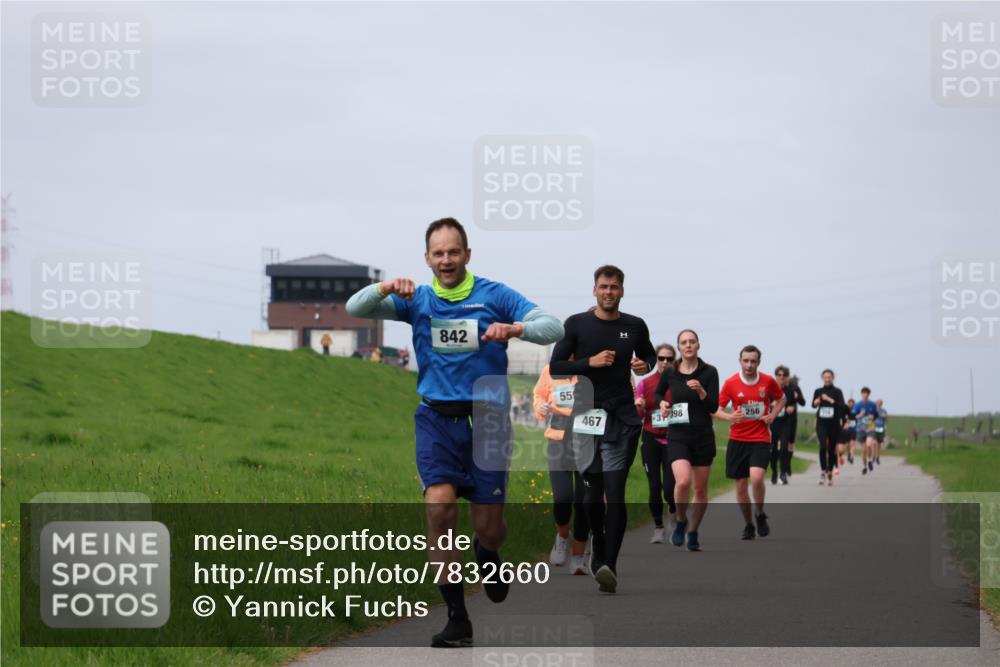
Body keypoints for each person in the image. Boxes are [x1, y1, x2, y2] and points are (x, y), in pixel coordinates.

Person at [345, 217, 563, 648]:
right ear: (427, 258)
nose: (446, 259)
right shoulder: (418, 300)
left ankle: (487, 554)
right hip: (436, 420)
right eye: (438, 253)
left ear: (467, 255)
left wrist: (515, 328)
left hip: (488, 420)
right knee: (439, 508)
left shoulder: (494, 295)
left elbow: (552, 326)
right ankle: (457, 617)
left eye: (453, 251)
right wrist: (386, 288)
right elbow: (356, 308)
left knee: (489, 529)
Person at [549, 265, 656, 594]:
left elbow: (649, 356)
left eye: (614, 287)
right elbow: (556, 367)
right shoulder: (577, 324)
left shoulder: (634, 326)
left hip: (622, 419)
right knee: (592, 494)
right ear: (594, 290)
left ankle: (609, 563)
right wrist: (589, 363)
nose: (609, 292)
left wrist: (644, 364)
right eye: (603, 286)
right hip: (585, 418)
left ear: (622, 291)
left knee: (615, 492)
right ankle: (597, 553)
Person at [654, 329, 720, 552]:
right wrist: (662, 403)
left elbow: (713, 406)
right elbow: (658, 394)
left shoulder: (709, 372)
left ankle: (693, 531)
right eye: (684, 342)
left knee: (700, 491)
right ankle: (681, 519)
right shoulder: (671, 372)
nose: (688, 345)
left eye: (692, 342)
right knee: (682, 482)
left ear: (698, 345)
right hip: (678, 435)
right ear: (679, 348)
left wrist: (701, 391)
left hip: (702, 436)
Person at [715, 346, 786, 539]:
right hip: (737, 439)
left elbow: (782, 399)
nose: (749, 364)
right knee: (740, 485)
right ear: (740, 361)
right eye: (746, 360)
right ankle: (748, 524)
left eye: (753, 361)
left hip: (760, 438)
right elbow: (716, 409)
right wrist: (730, 416)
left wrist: (772, 414)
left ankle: (760, 513)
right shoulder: (731, 383)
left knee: (756, 477)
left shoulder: (768, 381)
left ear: (759, 363)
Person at [532, 364, 590, 575]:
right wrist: (541, 407)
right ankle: (563, 537)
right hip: (558, 438)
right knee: (563, 496)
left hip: (587, 439)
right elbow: (538, 395)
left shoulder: (592, 367)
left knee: (584, 501)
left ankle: (578, 556)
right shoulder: (550, 370)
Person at [634, 343, 678, 544]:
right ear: (656, 360)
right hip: (651, 437)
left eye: (669, 359)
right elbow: (638, 415)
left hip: (673, 439)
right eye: (661, 358)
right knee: (654, 487)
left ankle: (674, 512)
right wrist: (640, 407)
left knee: (670, 488)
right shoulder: (645, 383)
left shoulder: (679, 382)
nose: (665, 362)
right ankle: (659, 527)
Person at [771, 366, 805, 485]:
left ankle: (783, 473)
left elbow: (796, 403)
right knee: (773, 450)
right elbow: (763, 404)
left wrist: (792, 406)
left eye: (784, 376)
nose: (781, 377)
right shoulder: (770, 389)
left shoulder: (791, 390)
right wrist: (771, 404)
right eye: (779, 375)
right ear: (776, 376)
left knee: (784, 446)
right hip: (773, 422)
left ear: (787, 378)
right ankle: (774, 471)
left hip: (786, 423)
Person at [812, 370, 847, 486]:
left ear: (833, 378)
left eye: (829, 377)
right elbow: (813, 405)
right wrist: (816, 402)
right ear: (822, 378)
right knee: (822, 446)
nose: (827, 379)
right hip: (821, 423)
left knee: (832, 449)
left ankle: (830, 472)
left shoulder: (837, 391)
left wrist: (829, 399)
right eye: (825, 377)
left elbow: (842, 406)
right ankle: (823, 471)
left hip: (834, 424)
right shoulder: (818, 391)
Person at [853, 387, 879, 475]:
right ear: (861, 394)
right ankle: (865, 466)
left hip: (870, 427)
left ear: (869, 394)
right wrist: (859, 416)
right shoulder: (858, 404)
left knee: (869, 445)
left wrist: (873, 417)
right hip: (860, 428)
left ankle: (870, 460)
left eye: (867, 393)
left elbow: (876, 415)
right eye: (864, 393)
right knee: (864, 449)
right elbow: (853, 416)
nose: (865, 395)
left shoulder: (872, 404)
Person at [839, 398, 856, 469]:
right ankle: (842, 455)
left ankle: (851, 456)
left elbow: (854, 418)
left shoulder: (855, 411)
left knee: (851, 444)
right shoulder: (844, 410)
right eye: (850, 403)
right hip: (845, 431)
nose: (851, 405)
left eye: (852, 403)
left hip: (853, 430)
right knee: (845, 446)